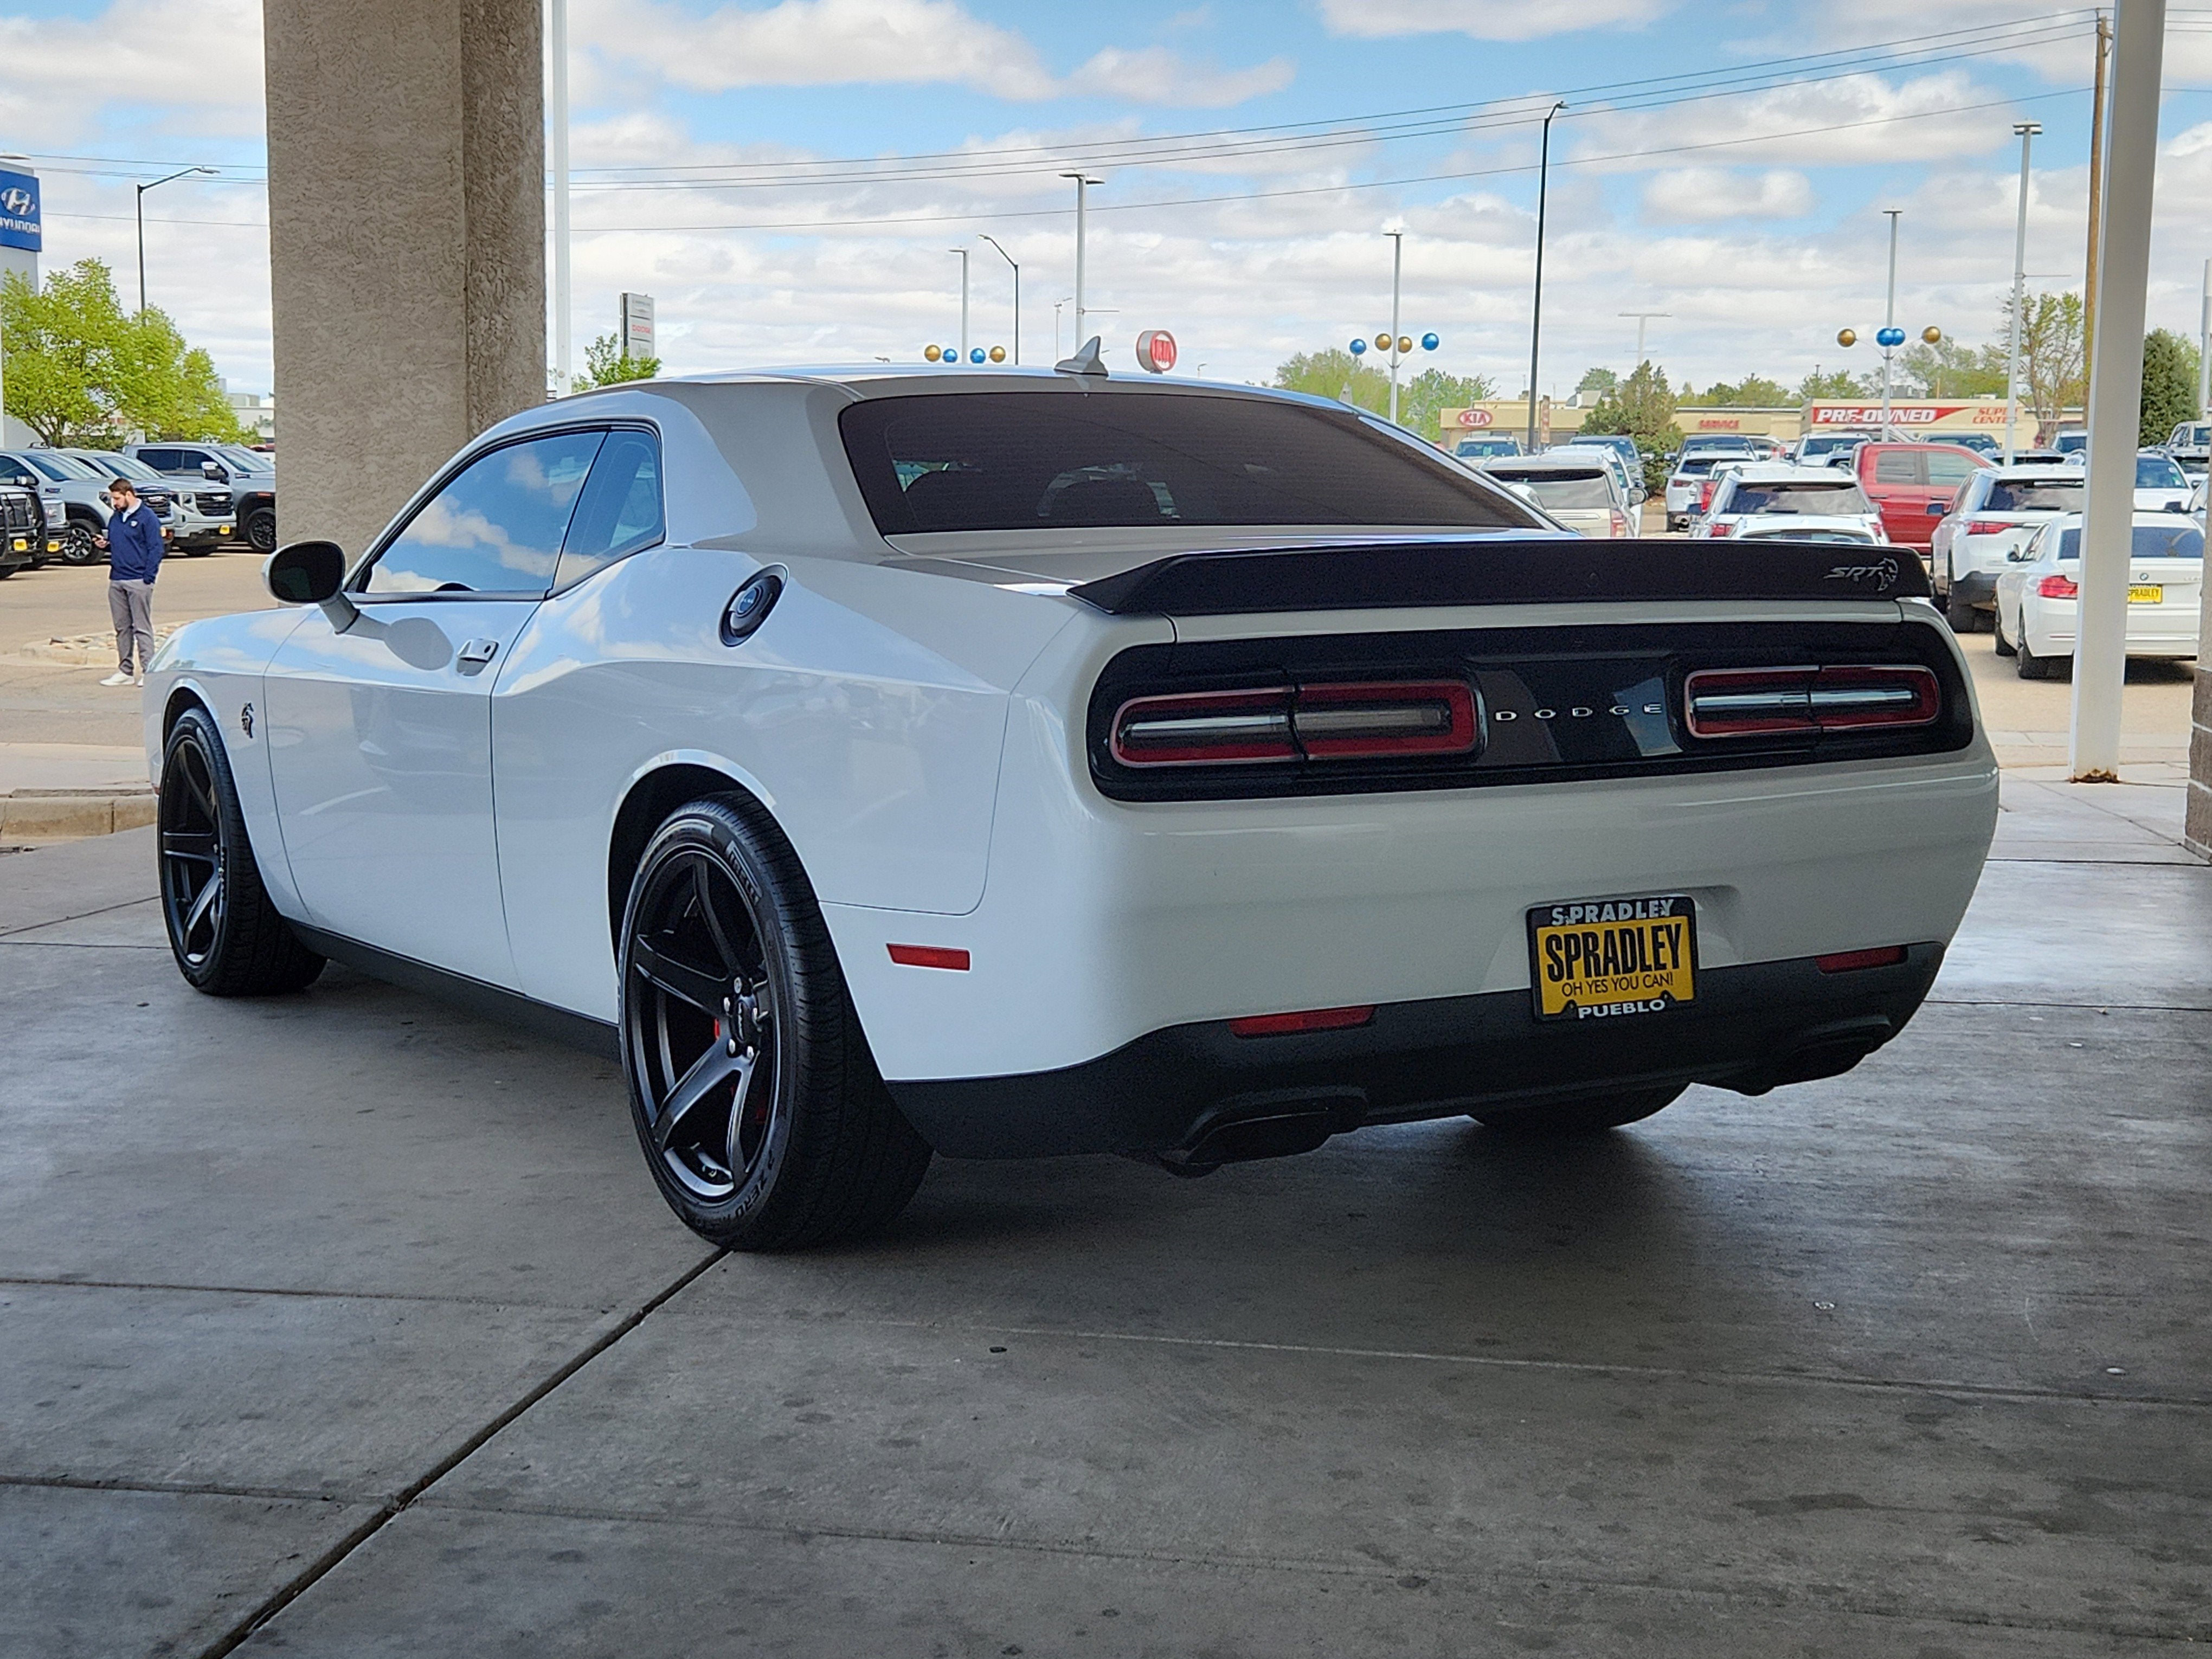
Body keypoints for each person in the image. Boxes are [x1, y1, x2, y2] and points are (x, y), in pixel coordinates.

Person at [97, 477, 164, 687]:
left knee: (141, 627)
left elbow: (156, 549)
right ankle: (125, 671)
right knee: (122, 627)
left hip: (138, 580)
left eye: (117, 498)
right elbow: (118, 544)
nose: (114, 503)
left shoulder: (147, 518)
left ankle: (148, 670)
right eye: (112, 499)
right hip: (117, 578)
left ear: (129, 494)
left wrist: (148, 578)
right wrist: (105, 546)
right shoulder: (116, 518)